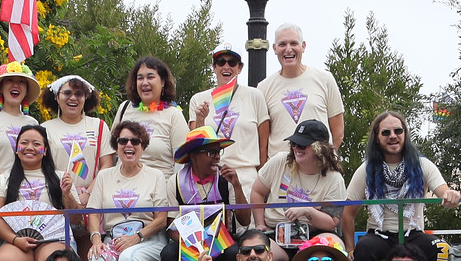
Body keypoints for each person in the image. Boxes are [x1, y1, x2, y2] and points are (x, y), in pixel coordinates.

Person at [344, 112, 461, 261]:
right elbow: (348, 213)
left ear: (405, 134)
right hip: (379, 236)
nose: (393, 136)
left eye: (398, 131)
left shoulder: (422, 165)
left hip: (413, 235)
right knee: (362, 250)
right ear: (377, 138)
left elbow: (443, 193)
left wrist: (451, 195)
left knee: (440, 248)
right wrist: (349, 249)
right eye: (386, 132)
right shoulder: (366, 169)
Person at [81, 118, 175, 261]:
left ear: (143, 147)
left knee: (129, 258)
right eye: (123, 141)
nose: (129, 145)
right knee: (97, 259)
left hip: (148, 238)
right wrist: (96, 239)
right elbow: (93, 213)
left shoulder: (155, 175)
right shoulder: (105, 176)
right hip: (114, 239)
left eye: (135, 141)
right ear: (116, 146)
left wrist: (137, 237)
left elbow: (161, 219)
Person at [0, 125, 75, 261]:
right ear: (16, 149)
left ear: (45, 151)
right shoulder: (4, 180)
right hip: (18, 241)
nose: (30, 147)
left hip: (53, 240)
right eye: (24, 143)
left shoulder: (61, 177)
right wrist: (14, 239)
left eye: (37, 144)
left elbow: (76, 218)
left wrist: (67, 194)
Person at [160, 127, 245, 261]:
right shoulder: (175, 182)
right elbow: (172, 227)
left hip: (223, 241)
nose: (217, 157)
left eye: (218, 151)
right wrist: (197, 248)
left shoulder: (226, 179)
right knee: (168, 254)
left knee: (233, 254)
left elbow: (245, 220)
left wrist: (237, 186)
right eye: (210, 152)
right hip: (190, 242)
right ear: (193, 156)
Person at [250, 120, 346, 261]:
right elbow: (257, 191)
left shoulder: (334, 178)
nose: (296, 148)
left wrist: (308, 210)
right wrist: (259, 224)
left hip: (314, 235)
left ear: (320, 149)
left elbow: (332, 222)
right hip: (276, 233)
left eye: (301, 145)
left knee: (330, 249)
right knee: (252, 251)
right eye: (293, 143)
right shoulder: (280, 161)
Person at [186, 42, 269, 180]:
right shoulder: (198, 99)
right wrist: (200, 119)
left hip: (246, 175)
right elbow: (196, 145)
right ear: (214, 67)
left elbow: (263, 143)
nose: (226, 67)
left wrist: (262, 178)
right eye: (221, 62)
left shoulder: (255, 95)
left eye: (232, 62)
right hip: (212, 175)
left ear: (240, 67)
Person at [258, 23, 346, 149]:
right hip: (280, 165)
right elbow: (262, 138)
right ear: (275, 48)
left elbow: (338, 132)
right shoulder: (263, 88)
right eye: (282, 44)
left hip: (317, 164)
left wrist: (325, 159)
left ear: (303, 46)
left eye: (293, 43)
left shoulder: (325, 79)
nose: (288, 49)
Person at [104, 56, 192, 168]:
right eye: (140, 78)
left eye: (150, 77)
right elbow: (111, 152)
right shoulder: (124, 108)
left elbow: (181, 163)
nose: (144, 83)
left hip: (161, 183)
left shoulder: (174, 115)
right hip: (123, 183)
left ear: (163, 82)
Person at [37, 73, 107, 199]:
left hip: (94, 198)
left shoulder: (99, 126)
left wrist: (88, 193)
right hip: (57, 197)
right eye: (67, 93)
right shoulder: (44, 129)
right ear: (57, 97)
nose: (73, 98)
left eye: (79, 94)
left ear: (86, 98)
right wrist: (66, 194)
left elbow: (107, 165)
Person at [0, 61, 43, 183]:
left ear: (27, 90)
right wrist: (4, 183)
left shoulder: (33, 123)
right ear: (1, 88)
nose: (15, 85)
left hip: (25, 191)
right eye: (10, 80)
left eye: (21, 82)